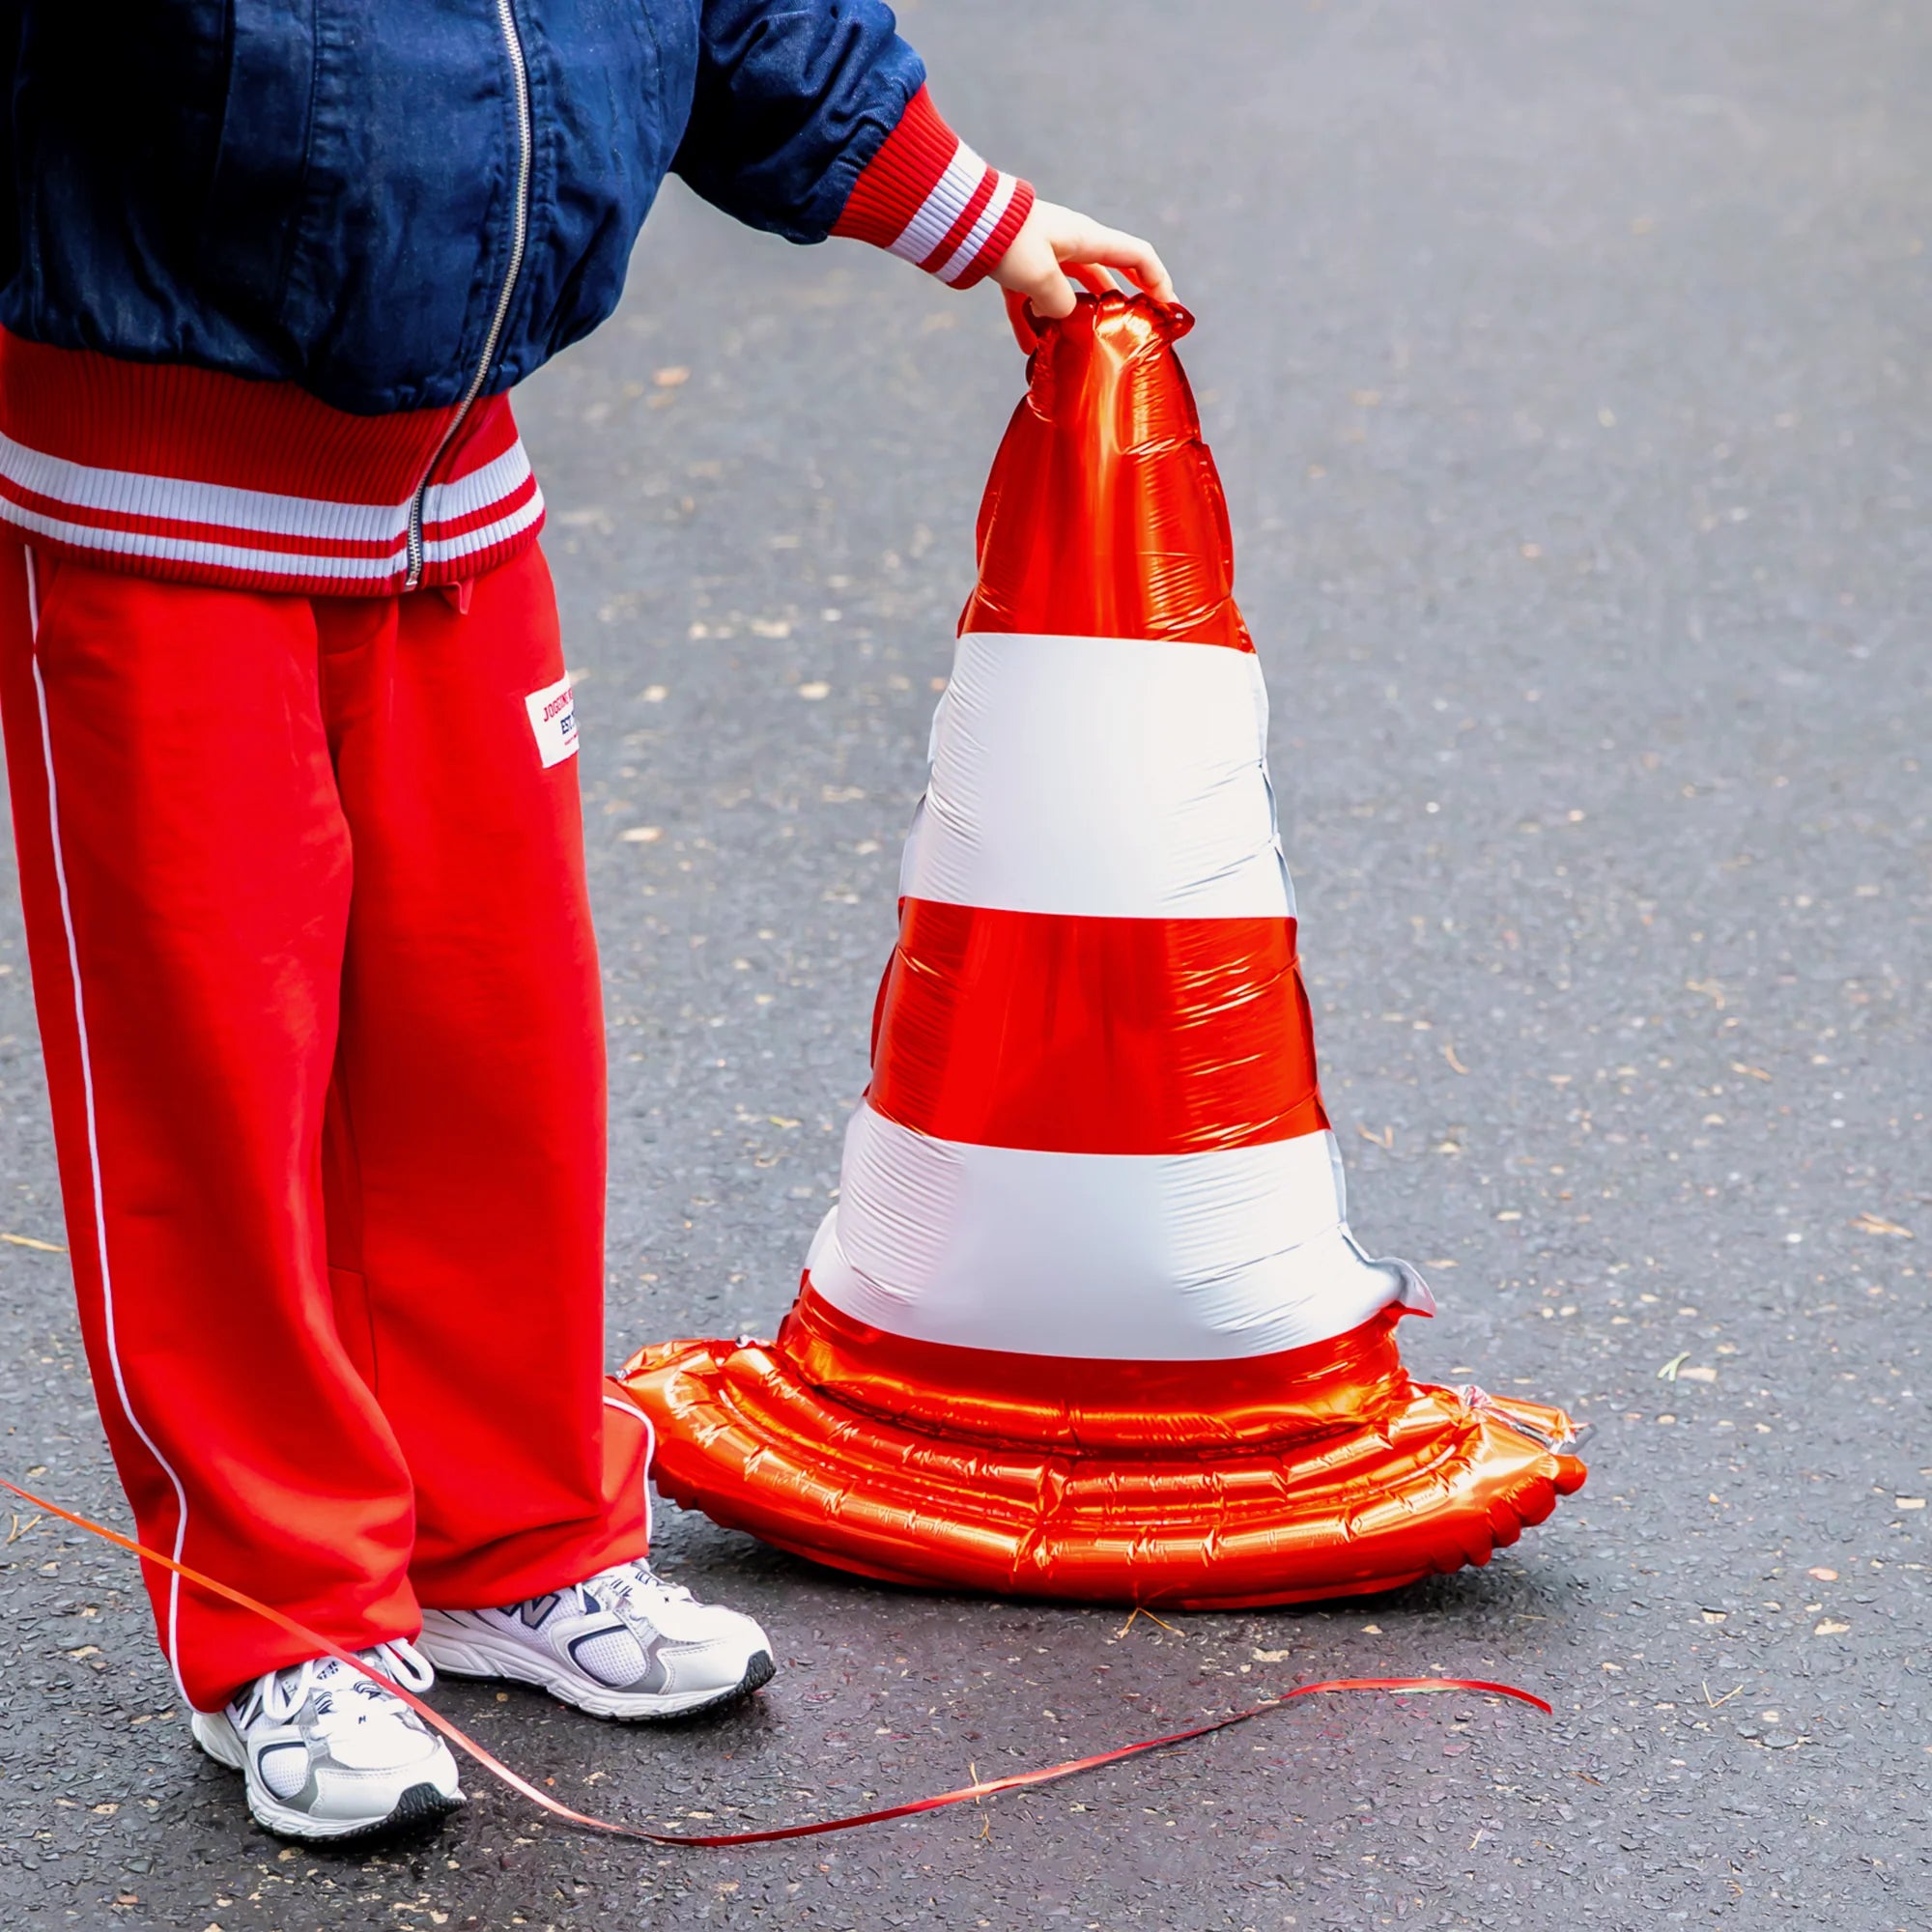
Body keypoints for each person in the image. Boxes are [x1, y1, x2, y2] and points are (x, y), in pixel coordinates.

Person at [0, 1, 1172, 1845]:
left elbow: (740, 11)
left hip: (458, 477)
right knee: (210, 1083)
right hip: (151, 489)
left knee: (499, 1038)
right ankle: (282, 1612)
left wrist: (965, 206)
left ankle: (511, 1536)